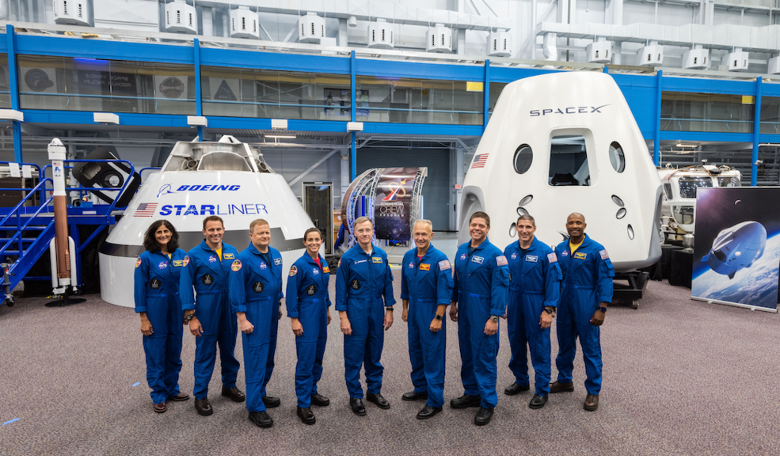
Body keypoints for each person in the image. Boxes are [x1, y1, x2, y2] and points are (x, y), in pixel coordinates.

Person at [179, 216, 244, 416]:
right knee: (205, 353)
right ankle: (200, 395)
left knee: (229, 350)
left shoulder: (232, 252)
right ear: (204, 232)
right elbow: (185, 286)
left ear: (223, 230)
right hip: (206, 309)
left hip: (229, 309)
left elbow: (238, 280)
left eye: (218, 229)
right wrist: (191, 316)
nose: (215, 233)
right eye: (211, 230)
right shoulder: (194, 255)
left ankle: (229, 385)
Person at [449, 211, 509, 426]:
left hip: (483, 310)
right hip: (464, 309)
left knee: (484, 355)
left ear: (488, 228)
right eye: (474, 224)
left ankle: (487, 402)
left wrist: (495, 316)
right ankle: (472, 392)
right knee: (467, 352)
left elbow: (501, 286)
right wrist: (454, 302)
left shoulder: (496, 254)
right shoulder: (462, 251)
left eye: (481, 225)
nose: (476, 228)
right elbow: (456, 279)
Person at [551, 213, 614, 411]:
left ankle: (593, 391)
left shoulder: (597, 250)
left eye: (578, 222)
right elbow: (554, 278)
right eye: (571, 223)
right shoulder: (560, 249)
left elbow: (605, 279)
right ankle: (565, 380)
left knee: (590, 348)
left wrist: (602, 308)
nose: (574, 226)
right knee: (565, 345)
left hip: (586, 303)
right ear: (566, 225)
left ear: (585, 225)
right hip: (564, 304)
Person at [335, 216, 395, 416]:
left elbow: (388, 284)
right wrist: (343, 317)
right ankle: (355, 395)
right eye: (360, 230)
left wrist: (389, 309)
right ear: (355, 233)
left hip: (377, 308)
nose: (364, 234)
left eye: (368, 230)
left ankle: (374, 391)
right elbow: (340, 289)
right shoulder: (348, 258)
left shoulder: (381, 255)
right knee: (354, 354)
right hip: (355, 309)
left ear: (373, 231)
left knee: (374, 353)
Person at [229, 219, 284, 428]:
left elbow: (277, 283)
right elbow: (236, 291)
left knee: (268, 355)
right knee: (255, 358)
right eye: (260, 233)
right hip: (254, 311)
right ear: (251, 235)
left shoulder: (276, 255)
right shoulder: (241, 260)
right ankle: (254, 407)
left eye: (267, 233)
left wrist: (278, 304)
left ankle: (260, 393)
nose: (265, 236)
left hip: (271, 310)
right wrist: (241, 318)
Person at [503, 214, 562, 410]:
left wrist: (548, 310)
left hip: (536, 303)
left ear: (534, 228)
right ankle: (521, 381)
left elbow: (553, 282)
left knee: (539, 347)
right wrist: (504, 302)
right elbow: (504, 279)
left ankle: (542, 389)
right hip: (514, 302)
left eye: (528, 227)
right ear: (516, 228)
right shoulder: (509, 250)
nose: (524, 230)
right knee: (516, 343)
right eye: (521, 226)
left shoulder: (546, 252)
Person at [134, 220, 189, 413]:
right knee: (156, 351)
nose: (163, 235)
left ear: (172, 234)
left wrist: (187, 310)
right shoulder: (145, 258)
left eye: (167, 231)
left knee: (174, 348)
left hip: (176, 307)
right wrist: (143, 318)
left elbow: (186, 285)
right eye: (159, 232)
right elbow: (139, 289)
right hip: (155, 307)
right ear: (153, 235)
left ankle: (172, 388)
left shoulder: (181, 255)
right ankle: (158, 394)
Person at [400, 219, 453, 420]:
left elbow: (445, 291)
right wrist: (405, 308)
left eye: (424, 234)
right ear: (413, 235)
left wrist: (438, 317)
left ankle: (435, 401)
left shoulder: (440, 259)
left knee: (433, 355)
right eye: (417, 234)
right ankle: (421, 388)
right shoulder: (408, 257)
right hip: (414, 309)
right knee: (416, 350)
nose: (420, 238)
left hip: (431, 310)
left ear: (431, 236)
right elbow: (404, 285)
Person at [286, 227, 333, 425]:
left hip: (321, 313)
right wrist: (294, 319)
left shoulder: (322, 262)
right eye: (310, 239)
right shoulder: (298, 266)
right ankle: (303, 403)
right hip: (306, 315)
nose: (314, 242)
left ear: (321, 241)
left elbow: (324, 290)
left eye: (317, 239)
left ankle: (312, 392)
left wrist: (328, 309)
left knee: (317, 356)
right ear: (304, 242)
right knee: (305, 359)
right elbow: (290, 295)